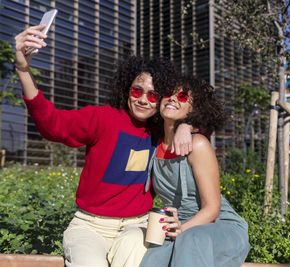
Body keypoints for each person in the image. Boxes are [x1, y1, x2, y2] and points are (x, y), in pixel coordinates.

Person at [14, 25, 194, 267]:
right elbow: (52, 124)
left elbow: (206, 120)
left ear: (163, 99)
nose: (142, 99)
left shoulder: (163, 131)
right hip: (89, 227)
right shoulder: (102, 118)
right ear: (126, 89)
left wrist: (187, 125)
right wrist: (23, 70)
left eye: (153, 95)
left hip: (138, 226)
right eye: (137, 90)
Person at [139, 76, 250, 267]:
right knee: (153, 258)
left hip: (217, 226)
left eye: (182, 96)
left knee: (191, 240)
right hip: (177, 226)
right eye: (168, 94)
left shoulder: (197, 144)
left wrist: (183, 228)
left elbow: (212, 208)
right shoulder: (153, 146)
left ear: (194, 109)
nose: (173, 99)